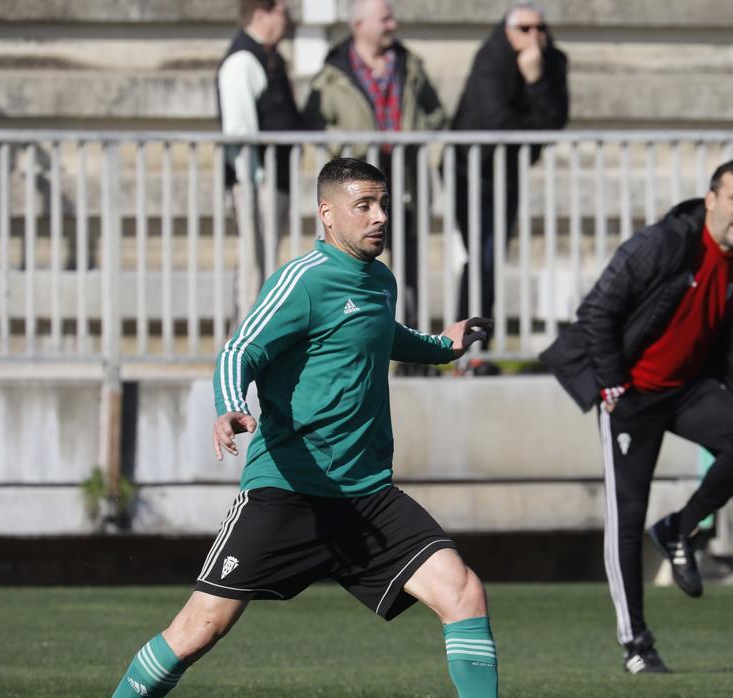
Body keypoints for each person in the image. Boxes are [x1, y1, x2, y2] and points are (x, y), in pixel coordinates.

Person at [110, 158, 498, 698]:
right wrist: (227, 406)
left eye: (383, 204)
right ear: (328, 213)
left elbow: (383, 334)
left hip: (365, 497)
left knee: (463, 592)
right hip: (288, 492)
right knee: (198, 630)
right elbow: (239, 349)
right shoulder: (303, 281)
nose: (379, 216)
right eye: (364, 205)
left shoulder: (380, 281)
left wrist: (445, 345)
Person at [540, 160, 733, 673]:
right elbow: (598, 312)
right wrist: (610, 385)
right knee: (626, 519)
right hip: (631, 393)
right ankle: (637, 646)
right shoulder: (665, 242)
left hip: (688, 389)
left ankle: (678, 528)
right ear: (711, 199)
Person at [302, 0, 448, 326]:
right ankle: (350, 330)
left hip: (405, 181)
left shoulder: (409, 66)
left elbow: (438, 114)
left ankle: (411, 340)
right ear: (359, 26)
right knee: (352, 260)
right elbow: (313, 123)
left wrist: (412, 135)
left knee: (409, 264)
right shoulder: (333, 72)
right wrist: (350, 141)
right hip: (354, 186)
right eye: (385, 19)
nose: (393, 25)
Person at [451, 2, 569, 321]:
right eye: (525, 29)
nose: (535, 36)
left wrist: (535, 80)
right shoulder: (491, 59)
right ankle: (467, 342)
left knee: (491, 256)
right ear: (507, 31)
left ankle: (473, 342)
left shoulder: (552, 61)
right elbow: (497, 121)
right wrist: (535, 126)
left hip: (510, 173)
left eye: (540, 29)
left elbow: (556, 120)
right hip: (470, 170)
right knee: (483, 255)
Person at [216, 0, 304, 291]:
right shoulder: (242, 60)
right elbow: (239, 132)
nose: (287, 16)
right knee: (254, 270)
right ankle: (244, 335)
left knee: (264, 268)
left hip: (270, 183)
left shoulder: (269, 57)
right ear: (260, 14)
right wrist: (252, 187)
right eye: (281, 9)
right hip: (256, 184)